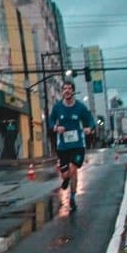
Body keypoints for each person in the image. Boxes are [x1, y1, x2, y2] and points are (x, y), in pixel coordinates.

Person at [47, 79, 94, 211]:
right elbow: (50, 121)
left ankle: (72, 197)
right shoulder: (57, 107)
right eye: (64, 89)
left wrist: (89, 128)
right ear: (62, 92)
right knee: (65, 174)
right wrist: (56, 127)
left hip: (78, 145)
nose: (67, 91)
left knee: (73, 168)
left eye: (69, 88)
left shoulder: (80, 107)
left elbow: (90, 119)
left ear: (73, 91)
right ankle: (66, 179)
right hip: (63, 147)